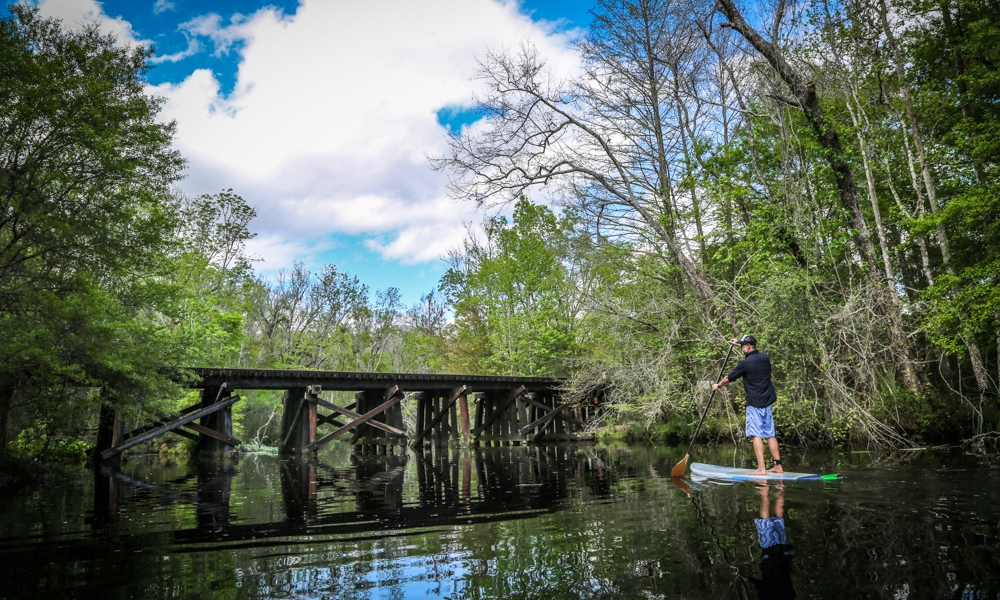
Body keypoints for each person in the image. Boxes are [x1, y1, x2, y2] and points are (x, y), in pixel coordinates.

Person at [712, 335, 782, 476]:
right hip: (768, 403)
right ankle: (778, 466)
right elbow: (751, 351)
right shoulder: (765, 358)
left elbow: (728, 378)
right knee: (770, 435)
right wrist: (739, 343)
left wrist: (718, 385)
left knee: (756, 435)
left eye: (744, 345)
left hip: (754, 404)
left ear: (748, 346)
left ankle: (761, 469)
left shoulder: (745, 364)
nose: (742, 347)